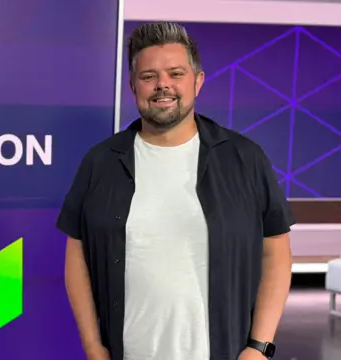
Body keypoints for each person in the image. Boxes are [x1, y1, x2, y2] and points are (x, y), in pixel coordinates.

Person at [57, 22, 294, 360]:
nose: (162, 85)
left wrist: (258, 348)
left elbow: (276, 250)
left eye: (175, 73)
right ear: (133, 86)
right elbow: (77, 257)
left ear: (197, 81)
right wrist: (94, 348)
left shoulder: (245, 158)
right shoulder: (100, 162)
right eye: (148, 76)